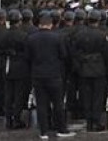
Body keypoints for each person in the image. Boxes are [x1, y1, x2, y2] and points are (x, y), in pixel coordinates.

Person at [26, 11, 75, 139]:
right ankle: (61, 129)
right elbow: (63, 55)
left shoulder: (31, 38)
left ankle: (43, 131)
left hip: (38, 75)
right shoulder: (58, 37)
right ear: (51, 25)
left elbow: (28, 57)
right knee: (58, 103)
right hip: (54, 74)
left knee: (41, 105)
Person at [71, 10, 108, 132]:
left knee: (86, 96)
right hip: (98, 68)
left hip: (84, 68)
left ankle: (89, 120)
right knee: (97, 97)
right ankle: (96, 120)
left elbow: (74, 52)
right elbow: (107, 55)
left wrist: (79, 65)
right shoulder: (102, 35)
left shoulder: (79, 35)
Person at [0, 9, 29, 129]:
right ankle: (16, 118)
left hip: (7, 66)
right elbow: (27, 53)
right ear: (19, 21)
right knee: (19, 95)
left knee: (8, 94)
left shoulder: (3, 34)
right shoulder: (23, 36)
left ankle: (8, 119)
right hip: (20, 68)